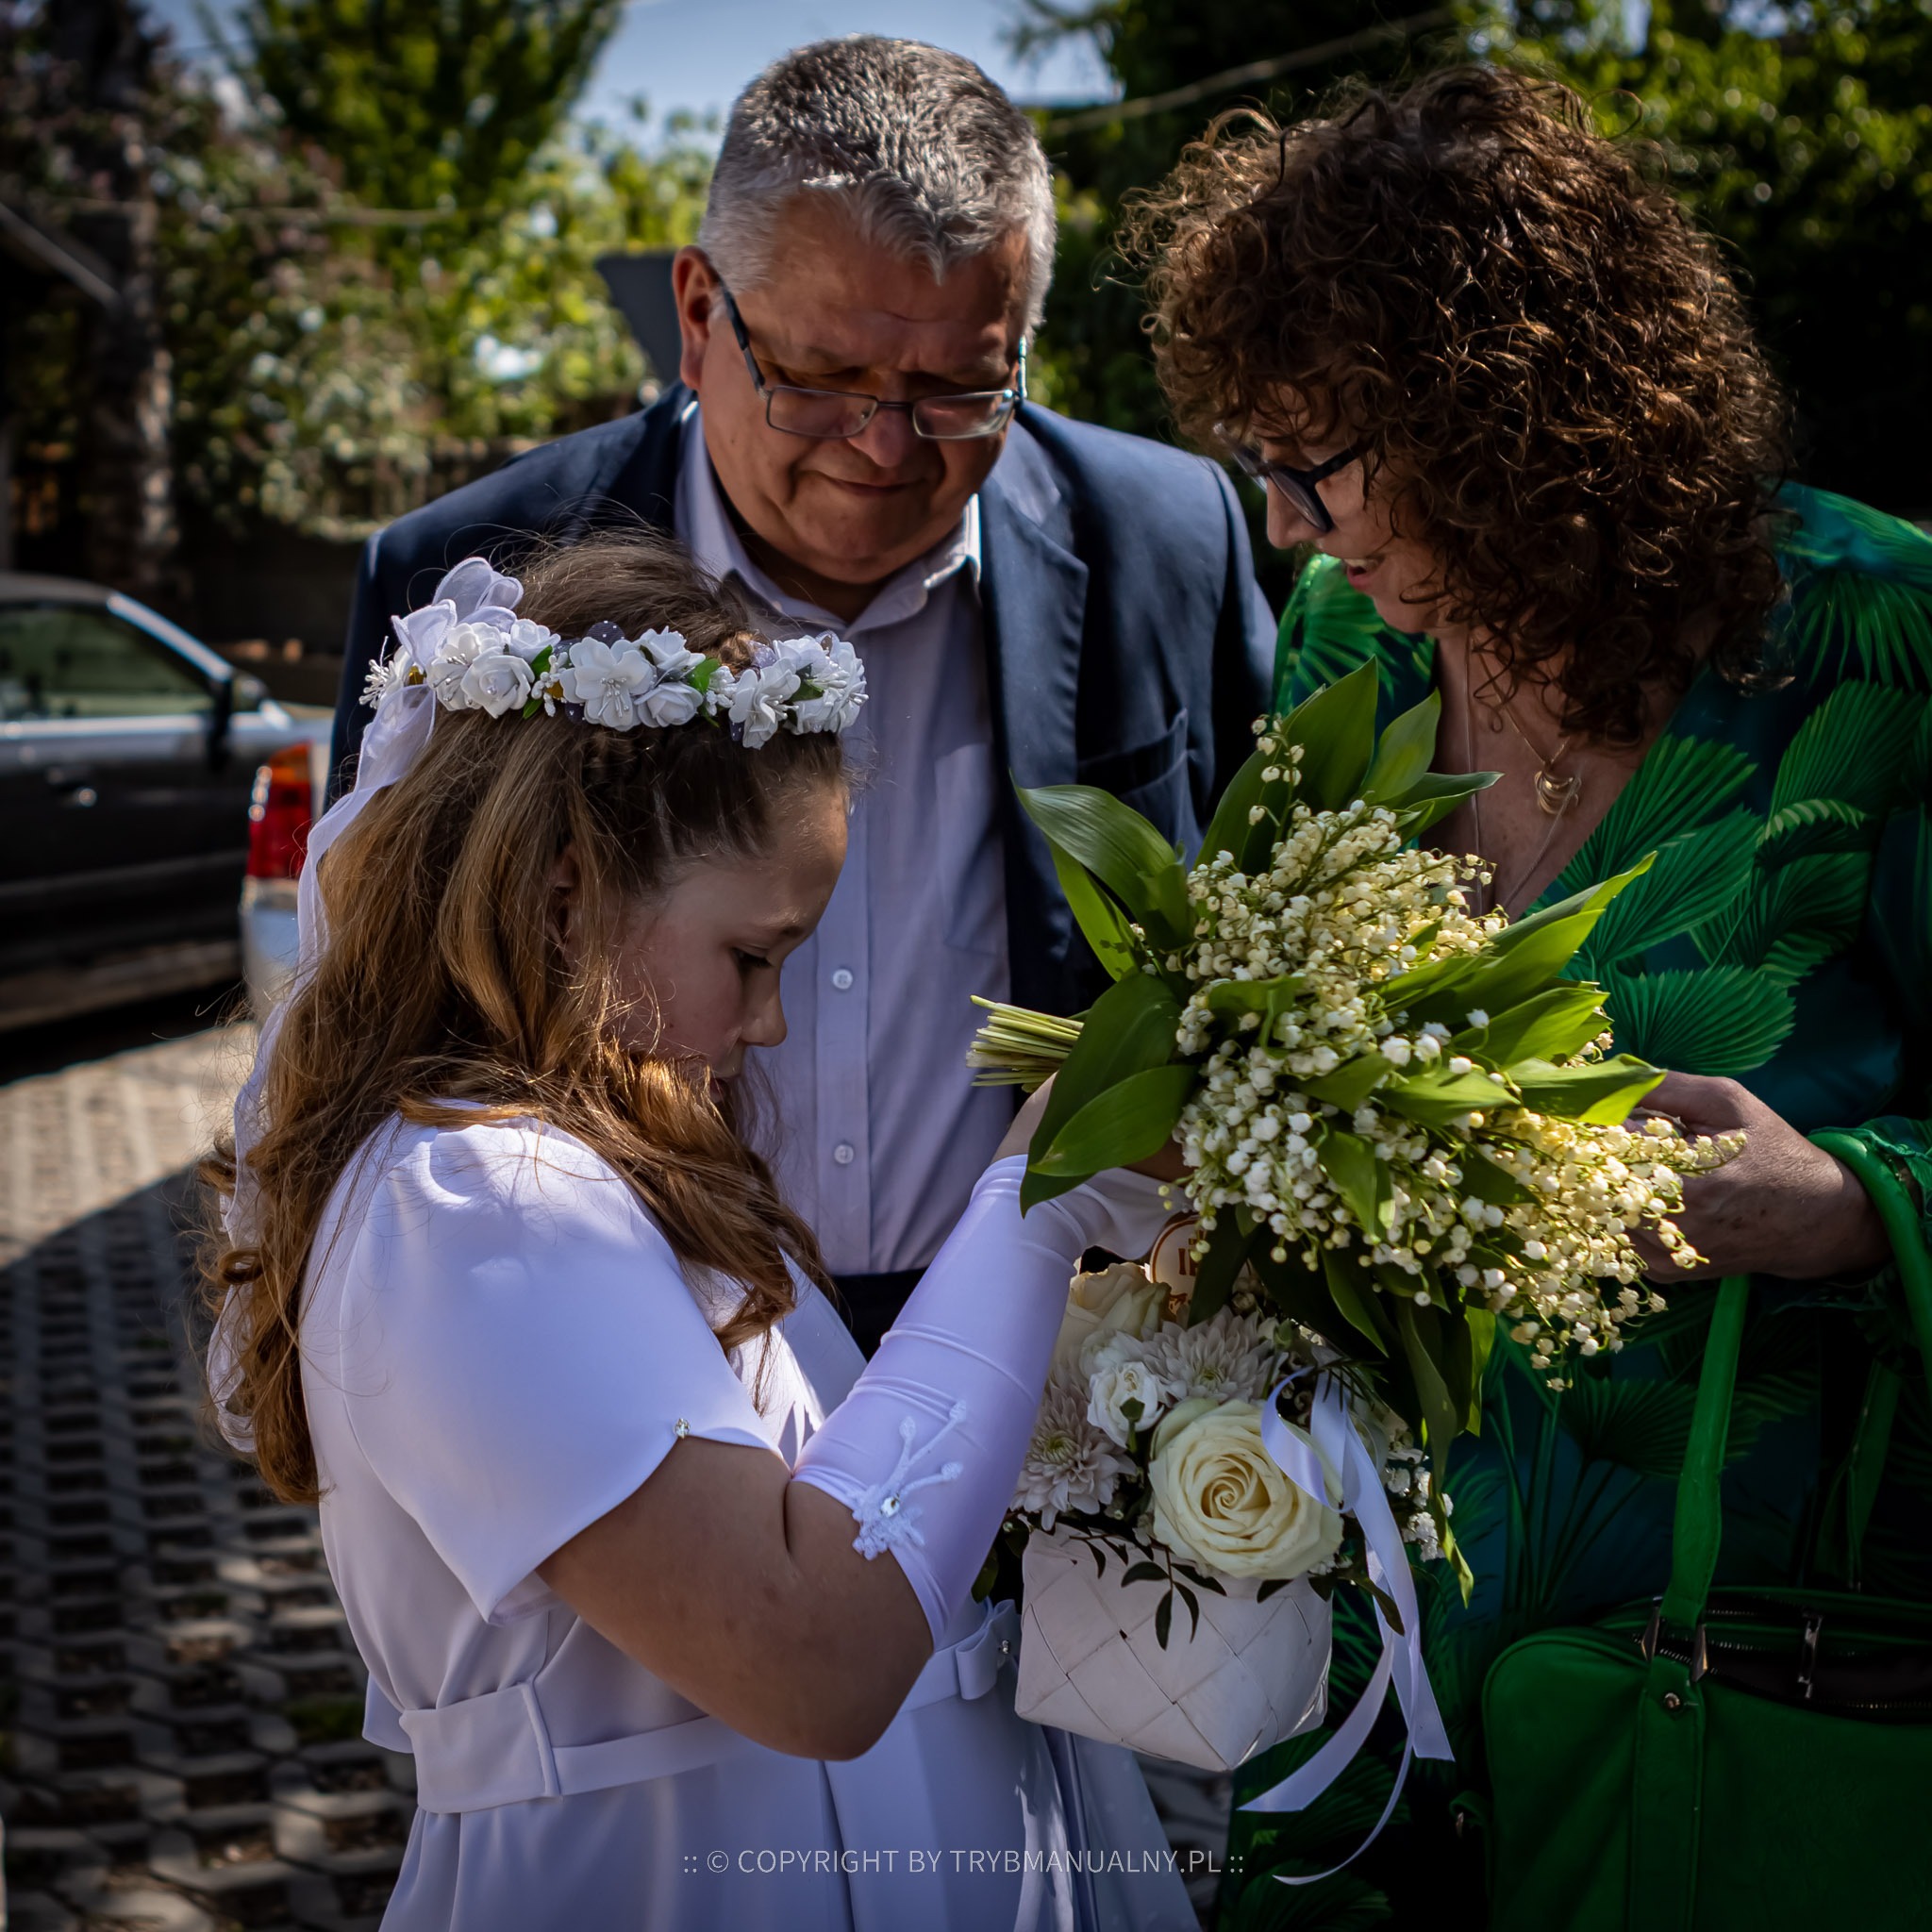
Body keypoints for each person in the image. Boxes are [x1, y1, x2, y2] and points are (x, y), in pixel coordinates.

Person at [1125, 63, 1932, 1919]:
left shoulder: (1873, 648)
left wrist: (1841, 1210)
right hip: (1360, 1673)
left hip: (1743, 1703)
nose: (1278, 528)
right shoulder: (1351, 638)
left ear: (1503, 408)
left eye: (1311, 463)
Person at [206, 532, 1197, 1931]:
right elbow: (808, 1657)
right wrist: (1031, 1209)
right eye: (753, 955)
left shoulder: (612, 1165)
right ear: (565, 895)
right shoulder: (475, 1206)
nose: (771, 1020)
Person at [329, 35, 1275, 1351]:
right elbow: (376, 1012)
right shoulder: (470, 581)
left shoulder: (1169, 539)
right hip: (612, 1347)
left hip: (1069, 1355)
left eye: (956, 388)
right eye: (825, 379)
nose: (886, 448)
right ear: (700, 314)